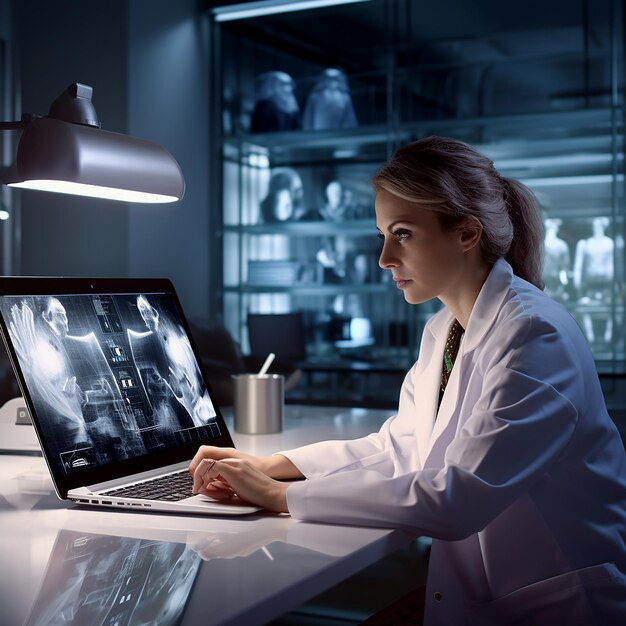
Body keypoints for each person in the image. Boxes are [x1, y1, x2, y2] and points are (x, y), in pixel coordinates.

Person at [189, 136, 626, 625]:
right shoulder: (447, 329)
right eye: (383, 235)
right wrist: (276, 466)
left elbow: (458, 498)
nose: (384, 258)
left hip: (559, 606)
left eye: (402, 234)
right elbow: (400, 447)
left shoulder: (533, 335)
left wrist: (280, 498)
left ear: (466, 233)